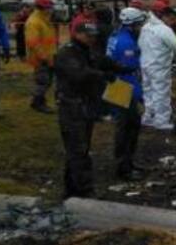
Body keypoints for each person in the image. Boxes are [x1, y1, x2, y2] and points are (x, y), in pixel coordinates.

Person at [55, 22, 129, 197]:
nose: (92, 39)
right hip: (71, 107)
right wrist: (102, 76)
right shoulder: (67, 53)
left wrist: (122, 68)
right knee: (78, 150)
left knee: (81, 148)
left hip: (86, 105)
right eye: (89, 35)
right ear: (78, 34)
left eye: (94, 36)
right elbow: (78, 74)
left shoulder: (87, 50)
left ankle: (72, 190)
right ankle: (84, 191)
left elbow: (101, 61)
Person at [106, 7, 148, 180]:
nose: (141, 28)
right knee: (128, 129)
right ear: (132, 25)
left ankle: (127, 162)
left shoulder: (115, 36)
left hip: (115, 85)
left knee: (125, 128)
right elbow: (130, 70)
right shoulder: (127, 44)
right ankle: (124, 168)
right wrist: (137, 95)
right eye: (139, 24)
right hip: (124, 87)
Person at [139, 0, 176, 129]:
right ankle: (161, 120)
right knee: (161, 93)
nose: (172, 22)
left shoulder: (146, 27)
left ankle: (148, 116)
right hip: (159, 66)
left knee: (148, 92)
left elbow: (140, 44)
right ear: (164, 16)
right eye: (171, 19)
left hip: (145, 64)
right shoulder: (164, 30)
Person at [25, 0, 58, 113]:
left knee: (47, 81)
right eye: (48, 7)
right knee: (42, 82)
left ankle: (39, 102)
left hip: (48, 55)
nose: (51, 9)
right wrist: (44, 57)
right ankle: (37, 103)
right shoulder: (34, 22)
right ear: (41, 7)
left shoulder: (44, 20)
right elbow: (33, 43)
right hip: (41, 58)